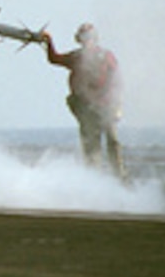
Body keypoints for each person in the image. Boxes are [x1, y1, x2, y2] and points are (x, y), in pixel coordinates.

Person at [44, 23, 127, 180]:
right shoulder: (76, 57)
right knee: (91, 145)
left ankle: (119, 175)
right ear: (79, 39)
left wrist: (118, 105)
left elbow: (118, 80)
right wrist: (49, 42)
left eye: (89, 37)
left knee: (113, 142)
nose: (86, 41)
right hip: (86, 107)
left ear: (94, 38)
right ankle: (93, 179)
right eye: (83, 37)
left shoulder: (106, 56)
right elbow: (54, 59)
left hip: (107, 105)